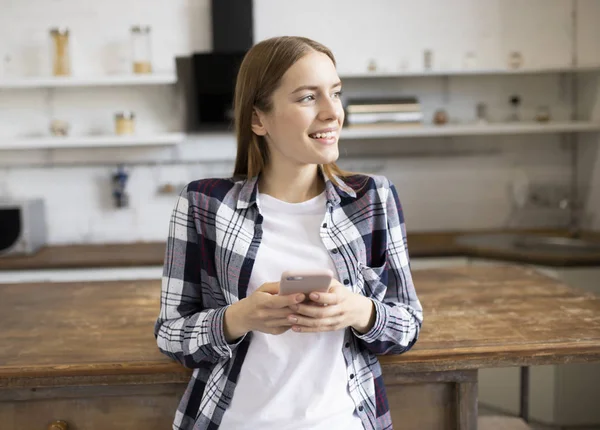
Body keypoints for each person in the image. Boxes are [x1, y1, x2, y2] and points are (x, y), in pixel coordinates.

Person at [154, 35, 423, 430]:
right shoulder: (204, 203)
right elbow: (170, 335)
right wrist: (238, 317)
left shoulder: (373, 199)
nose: (333, 113)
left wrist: (359, 310)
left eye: (336, 93)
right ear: (257, 119)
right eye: (307, 98)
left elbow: (408, 325)